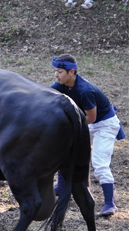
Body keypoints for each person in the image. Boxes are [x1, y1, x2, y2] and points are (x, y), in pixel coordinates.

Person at [50, 54, 122, 216]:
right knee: (63, 146)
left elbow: (91, 118)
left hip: (104, 124)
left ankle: (110, 204)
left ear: (72, 72)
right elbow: (45, 95)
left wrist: (71, 128)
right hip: (86, 122)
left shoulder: (85, 90)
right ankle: (61, 187)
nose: (56, 74)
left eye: (60, 71)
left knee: (99, 163)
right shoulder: (61, 85)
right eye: (55, 71)